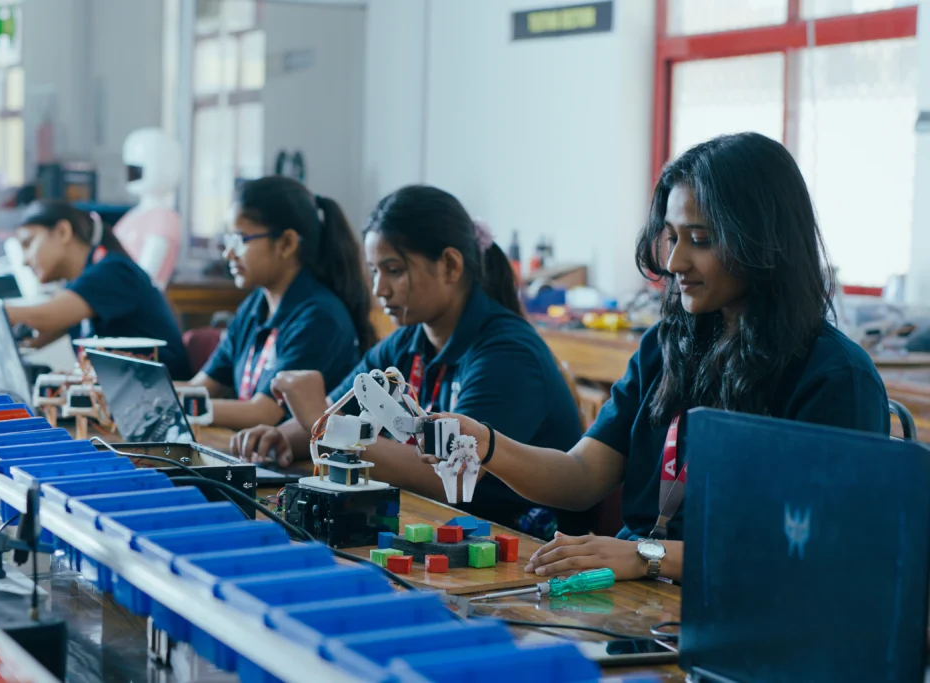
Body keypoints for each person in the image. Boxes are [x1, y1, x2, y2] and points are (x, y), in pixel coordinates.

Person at [421, 133, 889, 583]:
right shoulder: (668, 345)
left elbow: (812, 552)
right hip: (642, 584)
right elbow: (582, 475)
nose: (674, 262)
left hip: (745, 611)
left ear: (764, 243)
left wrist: (649, 555)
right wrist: (487, 444)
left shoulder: (834, 378)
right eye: (671, 237)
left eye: (700, 239)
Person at [231, 185, 585, 535]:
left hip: (523, 547)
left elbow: (442, 475)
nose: (379, 289)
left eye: (394, 270)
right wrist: (279, 436)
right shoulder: (405, 343)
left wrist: (316, 423)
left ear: (449, 265)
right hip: (442, 528)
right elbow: (338, 411)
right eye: (373, 271)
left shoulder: (508, 354)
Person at [0, 200, 193, 380]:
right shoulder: (81, 286)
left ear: (63, 232)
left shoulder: (112, 272)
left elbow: (39, 318)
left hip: (165, 402)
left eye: (29, 243)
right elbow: (23, 339)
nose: (27, 260)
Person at [185, 176, 376, 431]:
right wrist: (143, 396)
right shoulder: (255, 306)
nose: (227, 253)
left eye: (240, 240)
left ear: (286, 243)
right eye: (228, 240)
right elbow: (201, 387)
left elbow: (263, 413)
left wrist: (168, 406)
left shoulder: (319, 317)